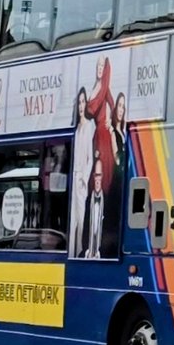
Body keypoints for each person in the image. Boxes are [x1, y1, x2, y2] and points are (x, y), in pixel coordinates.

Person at [85, 55, 117, 190]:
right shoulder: (94, 88)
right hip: (97, 135)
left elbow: (112, 104)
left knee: (104, 169)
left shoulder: (104, 88)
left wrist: (111, 121)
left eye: (102, 66)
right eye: (98, 65)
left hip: (104, 136)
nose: (100, 68)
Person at [70, 88, 95, 258]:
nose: (81, 105)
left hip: (81, 179)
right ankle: (71, 253)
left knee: (81, 219)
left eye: (83, 102)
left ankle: (79, 252)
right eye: (79, 102)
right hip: (73, 176)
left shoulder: (89, 126)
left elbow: (90, 158)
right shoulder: (75, 128)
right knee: (72, 222)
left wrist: (84, 180)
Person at [83, 158, 106, 259]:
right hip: (88, 250)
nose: (97, 179)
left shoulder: (108, 201)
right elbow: (85, 226)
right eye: (96, 175)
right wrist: (87, 250)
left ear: (103, 176)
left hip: (103, 252)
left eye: (99, 175)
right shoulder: (88, 200)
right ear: (93, 177)